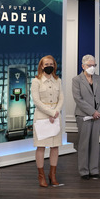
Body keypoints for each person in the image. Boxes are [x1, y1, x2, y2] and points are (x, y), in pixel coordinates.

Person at [31, 55, 64, 187]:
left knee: (55, 146)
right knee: (41, 146)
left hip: (55, 117)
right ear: (42, 66)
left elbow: (61, 98)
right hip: (42, 117)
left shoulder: (58, 81)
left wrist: (55, 112)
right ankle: (41, 176)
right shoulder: (36, 81)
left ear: (54, 66)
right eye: (46, 64)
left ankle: (52, 174)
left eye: (51, 64)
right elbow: (36, 101)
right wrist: (51, 112)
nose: (49, 66)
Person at [72, 54, 100, 180]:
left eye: (94, 65)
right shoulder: (76, 80)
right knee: (84, 143)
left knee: (95, 143)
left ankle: (94, 169)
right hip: (84, 116)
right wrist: (92, 112)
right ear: (83, 66)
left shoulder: (99, 79)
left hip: (98, 116)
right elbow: (78, 99)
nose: (92, 68)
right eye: (90, 65)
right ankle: (84, 171)